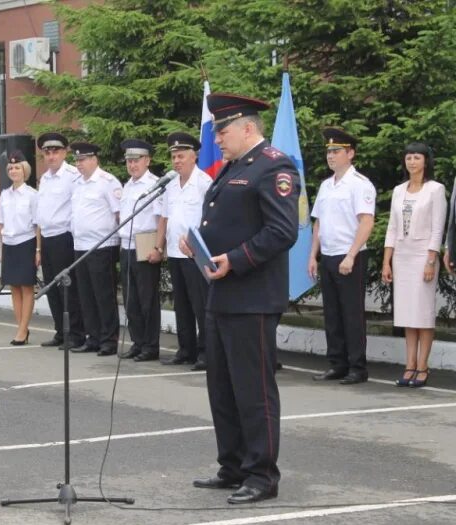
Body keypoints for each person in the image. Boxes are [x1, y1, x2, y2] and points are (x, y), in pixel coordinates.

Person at [181, 93, 299, 504]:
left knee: (253, 390)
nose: (217, 138)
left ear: (248, 128)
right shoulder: (231, 168)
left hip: (253, 297)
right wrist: (198, 243)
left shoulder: (274, 166)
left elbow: (283, 232)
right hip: (222, 293)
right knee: (224, 388)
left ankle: (262, 475)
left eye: (223, 130)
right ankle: (232, 466)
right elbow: (223, 221)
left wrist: (234, 259)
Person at [308, 128, 376, 385]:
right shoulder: (326, 185)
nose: (331, 155)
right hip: (328, 255)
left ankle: (358, 367)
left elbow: (366, 222)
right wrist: (312, 256)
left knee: (352, 314)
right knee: (332, 313)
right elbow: (318, 224)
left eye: (336, 151)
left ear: (350, 153)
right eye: (328, 151)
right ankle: (337, 363)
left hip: (350, 256)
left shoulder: (360, 184)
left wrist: (351, 255)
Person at [382, 142, 446, 388]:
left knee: (423, 315)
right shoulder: (399, 190)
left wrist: (431, 260)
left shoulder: (435, 190)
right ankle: (409, 365)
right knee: (408, 315)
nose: (412, 162)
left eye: (417, 157)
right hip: (402, 256)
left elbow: (437, 228)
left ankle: (423, 366)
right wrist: (387, 260)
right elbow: (392, 227)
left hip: (423, 256)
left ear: (426, 161)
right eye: (408, 157)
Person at [156, 132, 213, 368]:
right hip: (175, 253)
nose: (176, 161)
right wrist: (161, 245)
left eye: (181, 156)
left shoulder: (204, 183)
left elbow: (209, 219)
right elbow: (166, 217)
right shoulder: (171, 185)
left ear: (193, 156)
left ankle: (205, 352)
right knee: (182, 305)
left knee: (200, 305)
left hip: (194, 254)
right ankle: (185, 349)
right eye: (173, 157)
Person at [69, 141, 123, 356]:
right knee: (86, 295)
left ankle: (109, 340)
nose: (79, 164)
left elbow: (119, 214)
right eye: (77, 160)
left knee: (103, 295)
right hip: (81, 245)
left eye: (82, 160)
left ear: (94, 159)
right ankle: (93, 337)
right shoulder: (77, 183)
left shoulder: (107, 182)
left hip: (102, 246)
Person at [35, 132, 85, 350]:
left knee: (67, 289)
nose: (51, 156)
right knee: (52, 287)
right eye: (47, 152)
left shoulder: (73, 176)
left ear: (64, 153)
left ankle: (75, 333)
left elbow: (76, 209)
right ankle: (60, 331)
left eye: (55, 151)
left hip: (64, 238)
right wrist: (38, 246)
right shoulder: (44, 178)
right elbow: (40, 214)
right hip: (47, 238)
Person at [117, 139, 163, 362]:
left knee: (147, 299)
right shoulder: (127, 186)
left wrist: (158, 247)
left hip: (145, 243)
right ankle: (138, 341)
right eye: (129, 161)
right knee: (130, 299)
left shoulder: (153, 185)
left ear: (147, 160)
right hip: (126, 245)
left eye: (136, 161)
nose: (132, 165)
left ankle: (151, 345)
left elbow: (159, 219)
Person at [0, 150, 38, 344]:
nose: (14, 171)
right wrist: (2, 247)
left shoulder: (32, 195)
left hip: (26, 243)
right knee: (14, 286)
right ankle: (21, 327)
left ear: (25, 171)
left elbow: (38, 225)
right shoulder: (4, 195)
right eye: (11, 168)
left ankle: (23, 330)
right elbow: (0, 222)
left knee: (26, 286)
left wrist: (38, 250)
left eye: (17, 167)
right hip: (10, 244)